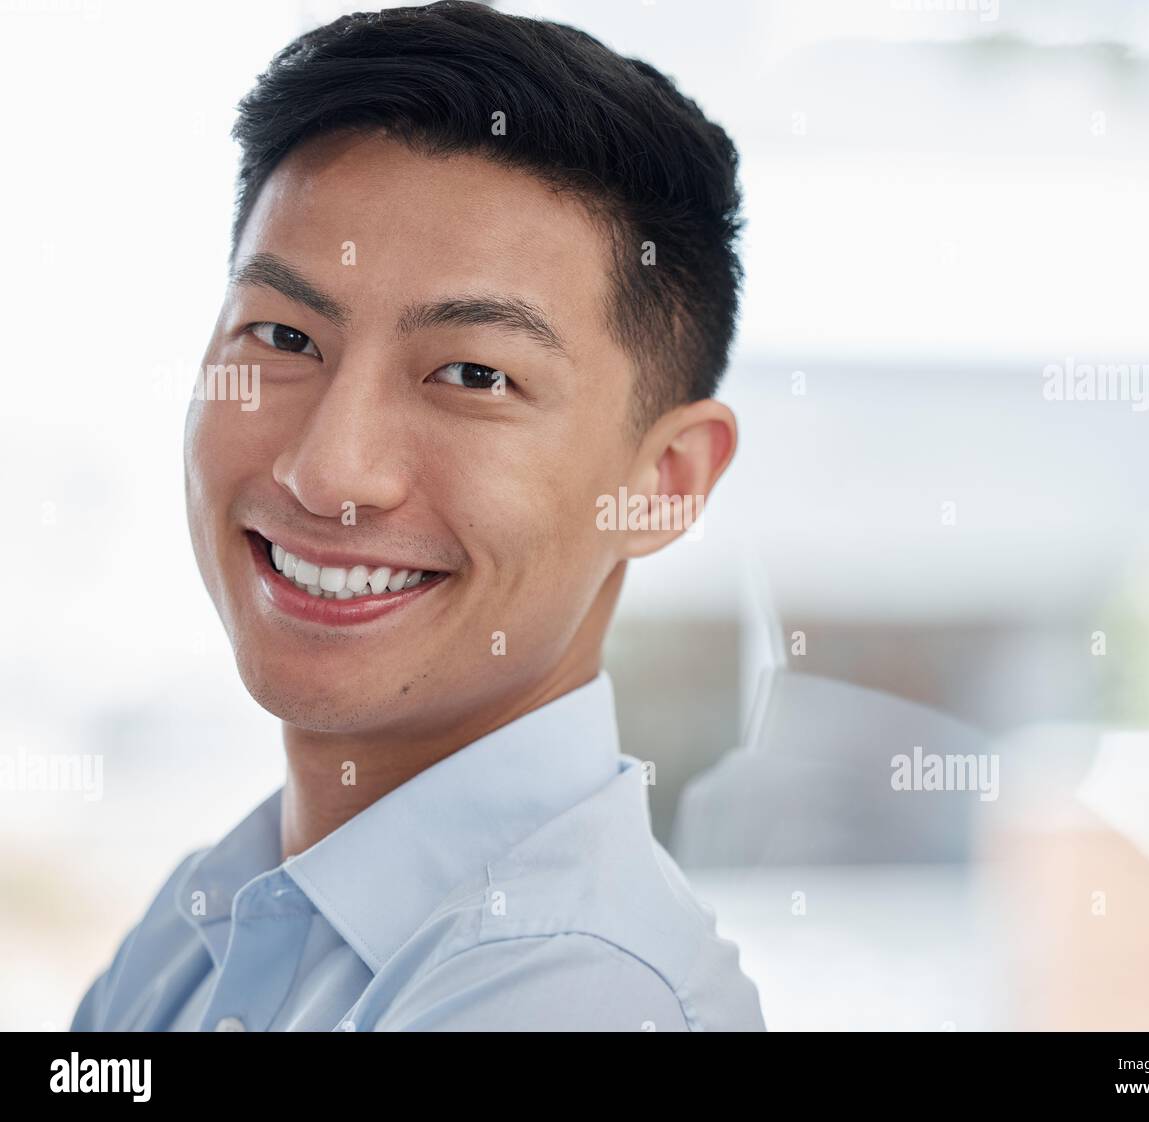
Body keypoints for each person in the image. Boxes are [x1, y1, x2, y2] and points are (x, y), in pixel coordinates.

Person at [72, 0, 763, 1031]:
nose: (327, 471)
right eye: (282, 336)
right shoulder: (197, 929)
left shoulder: (578, 996)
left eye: (474, 374)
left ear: (663, 481)